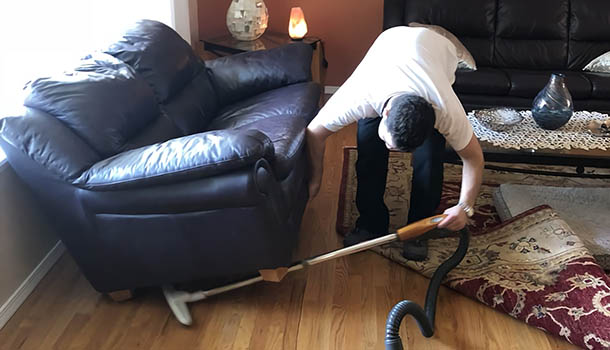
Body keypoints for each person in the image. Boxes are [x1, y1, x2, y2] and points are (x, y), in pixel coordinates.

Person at [306, 26, 485, 261]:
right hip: (391, 44)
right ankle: (370, 224)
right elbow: (314, 133)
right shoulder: (361, 94)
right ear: (386, 113)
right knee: (369, 152)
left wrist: (465, 207)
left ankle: (419, 230)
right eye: (390, 143)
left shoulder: (445, 107)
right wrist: (315, 180)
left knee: (429, 161)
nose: (394, 152)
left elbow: (473, 158)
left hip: (437, 50)